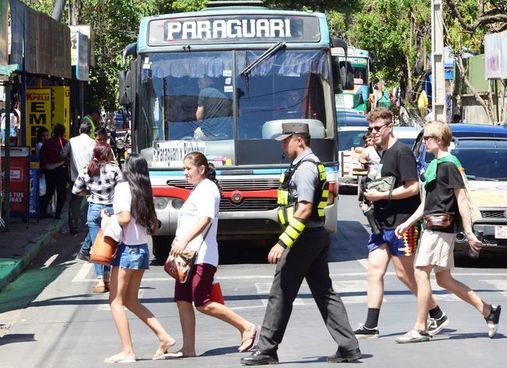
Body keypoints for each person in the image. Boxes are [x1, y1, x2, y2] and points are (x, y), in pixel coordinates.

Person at [241, 123, 361, 365]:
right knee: (324, 293)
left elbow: (304, 209)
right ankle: (349, 346)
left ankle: (266, 349)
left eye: (286, 141)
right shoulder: (307, 164)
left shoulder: (306, 169)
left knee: (281, 293)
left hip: (302, 238)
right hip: (315, 236)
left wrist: (282, 242)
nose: (283, 147)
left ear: (299, 140)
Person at [394, 120, 501, 343]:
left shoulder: (449, 165)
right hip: (431, 225)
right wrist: (408, 223)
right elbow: (427, 203)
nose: (424, 142)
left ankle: (420, 328)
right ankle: (488, 311)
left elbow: (462, 199)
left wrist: (469, 231)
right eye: (424, 138)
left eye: (428, 138)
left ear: (440, 140)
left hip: (440, 228)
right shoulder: (434, 167)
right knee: (443, 280)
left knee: (421, 273)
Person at [353, 108, 447, 339]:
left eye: (377, 128)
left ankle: (436, 313)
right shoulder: (381, 153)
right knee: (374, 271)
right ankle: (371, 324)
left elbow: (413, 187)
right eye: (371, 129)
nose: (373, 133)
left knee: (405, 275)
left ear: (389, 127)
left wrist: (383, 196)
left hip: (402, 223)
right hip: (381, 223)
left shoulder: (402, 152)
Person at [165, 152, 258, 359]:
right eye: (184, 169)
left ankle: (247, 327)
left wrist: (184, 240)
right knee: (182, 299)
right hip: (187, 256)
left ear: (202, 169)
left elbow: (205, 219)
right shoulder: (199, 190)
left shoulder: (208, 189)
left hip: (202, 255)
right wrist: (177, 241)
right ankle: (188, 348)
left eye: (188, 169)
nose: (185, 173)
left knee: (203, 302)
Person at [101, 154, 176, 363]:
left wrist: (108, 219)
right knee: (131, 301)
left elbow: (124, 218)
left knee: (115, 302)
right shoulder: (144, 190)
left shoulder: (123, 188)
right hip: (142, 249)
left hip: (127, 250)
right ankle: (164, 337)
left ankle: (128, 350)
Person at [72, 142, 121, 293]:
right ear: (107, 154)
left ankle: (100, 281)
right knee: (111, 244)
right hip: (112, 210)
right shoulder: (114, 169)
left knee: (97, 247)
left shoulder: (86, 170)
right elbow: (123, 188)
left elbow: (76, 190)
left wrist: (89, 194)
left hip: (94, 210)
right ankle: (108, 277)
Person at [61, 120, 95, 235]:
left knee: (75, 203)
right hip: (91, 177)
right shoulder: (93, 142)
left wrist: (71, 159)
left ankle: (73, 227)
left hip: (75, 178)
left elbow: (62, 154)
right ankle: (92, 225)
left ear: (79, 130)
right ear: (90, 132)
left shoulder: (72, 141)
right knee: (93, 201)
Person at [39, 124, 69, 219]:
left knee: (48, 192)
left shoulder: (47, 143)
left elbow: (42, 157)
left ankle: (42, 211)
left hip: (48, 171)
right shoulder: (65, 142)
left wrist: (42, 169)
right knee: (61, 192)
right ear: (63, 133)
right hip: (61, 170)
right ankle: (58, 213)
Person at [194, 76, 233, 140]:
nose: (198, 82)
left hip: (208, 133)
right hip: (225, 133)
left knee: (197, 133)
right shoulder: (224, 96)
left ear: (210, 81)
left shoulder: (204, 92)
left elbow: (199, 117)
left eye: (201, 80)